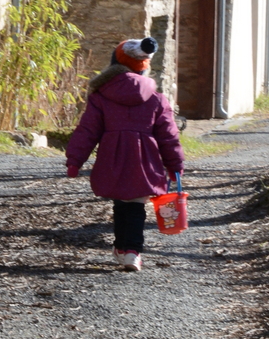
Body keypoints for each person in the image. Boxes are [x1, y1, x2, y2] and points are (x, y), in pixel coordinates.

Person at [65, 36, 184, 272]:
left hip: (112, 158)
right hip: (145, 160)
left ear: (115, 64)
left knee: (121, 204)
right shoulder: (157, 99)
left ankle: (121, 248)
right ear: (144, 65)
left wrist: (74, 161)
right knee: (136, 206)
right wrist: (175, 165)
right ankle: (132, 252)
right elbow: (168, 136)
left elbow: (87, 131)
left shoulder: (101, 96)